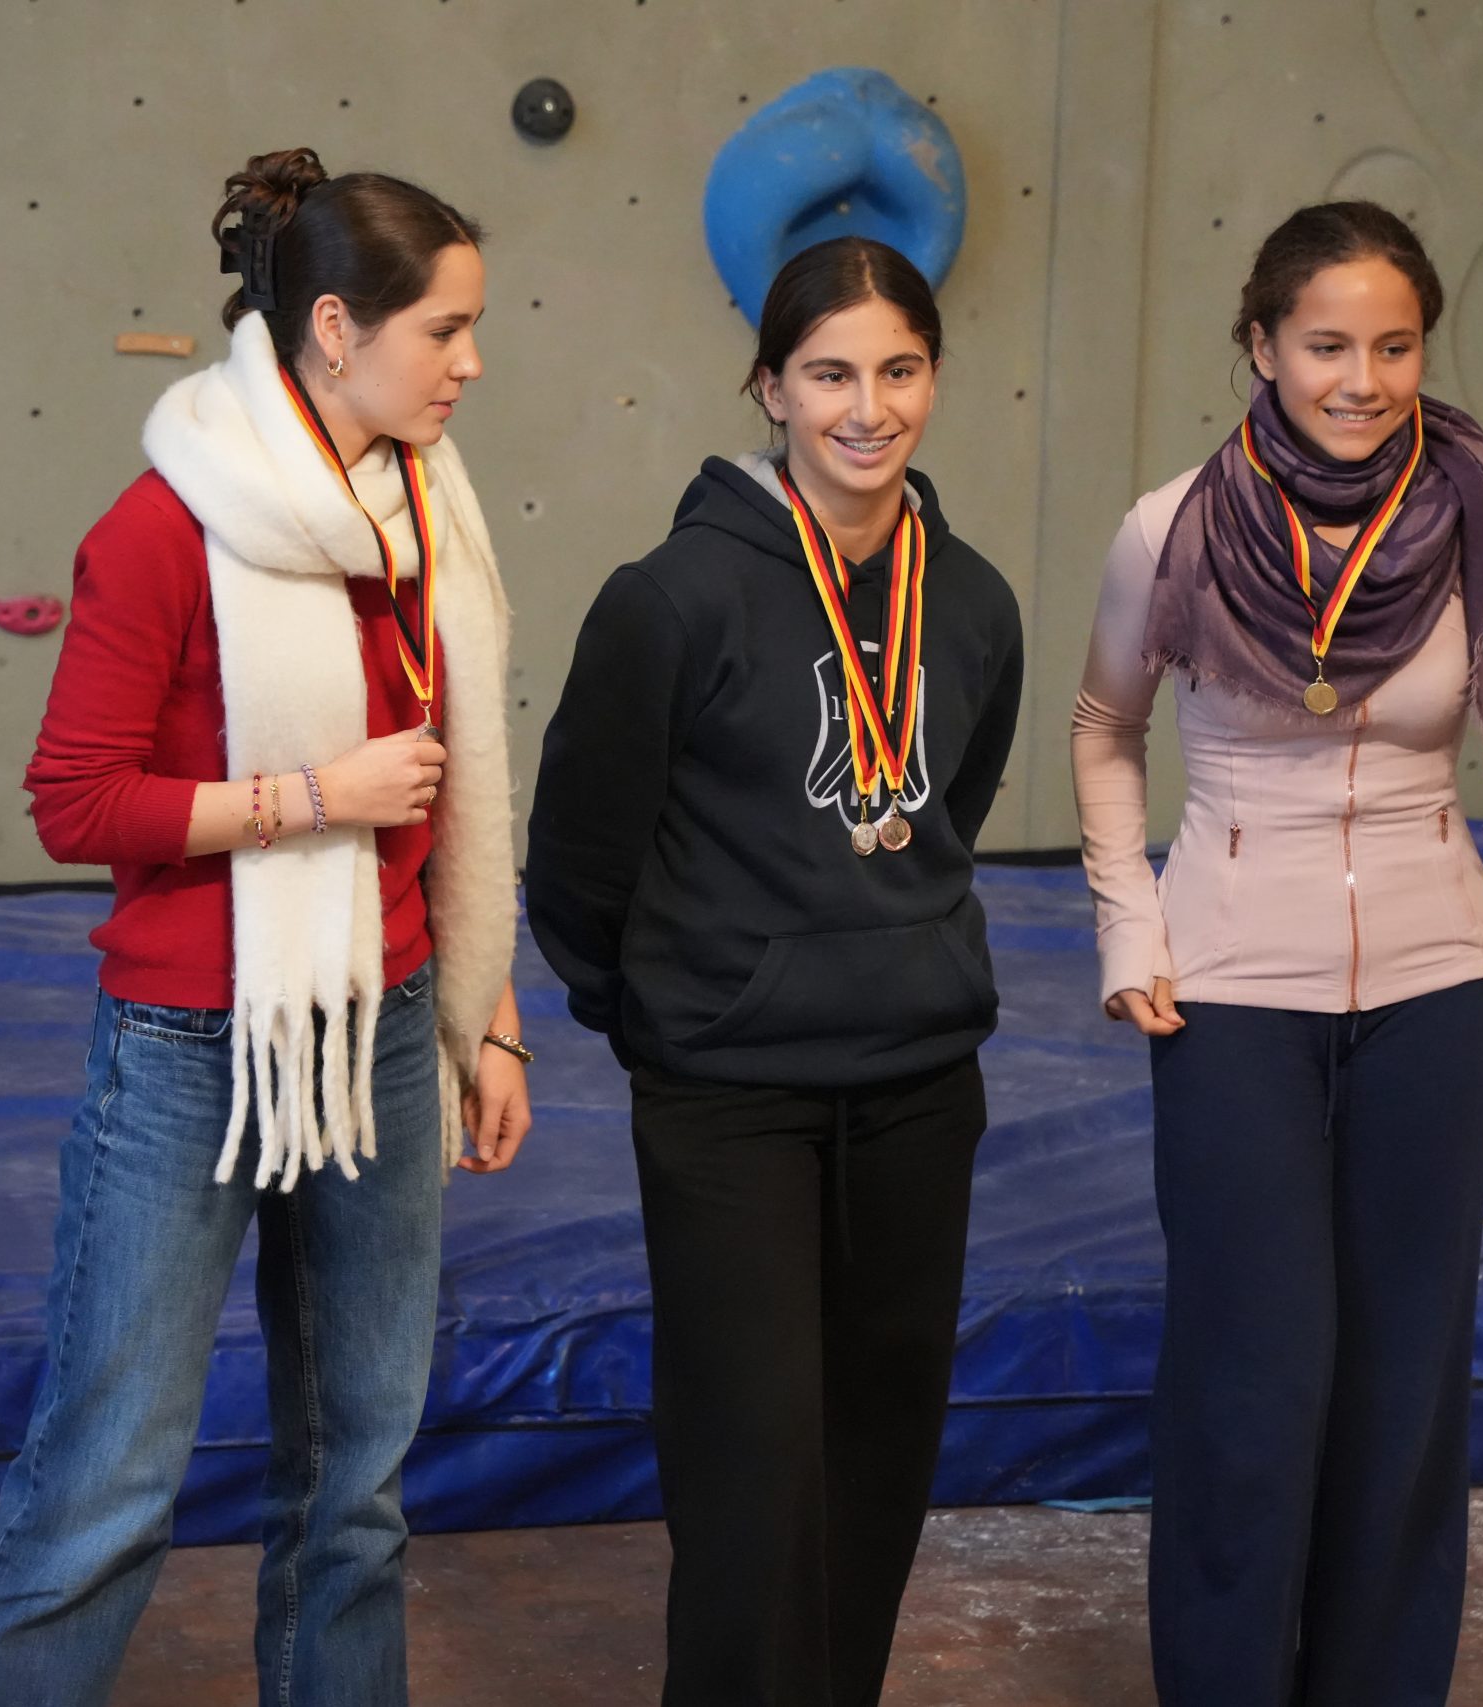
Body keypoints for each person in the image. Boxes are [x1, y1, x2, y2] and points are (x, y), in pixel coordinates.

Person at [0, 146, 530, 1707]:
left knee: (358, 1487)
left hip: (388, 1022)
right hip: (196, 1042)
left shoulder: (425, 504)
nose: (469, 363)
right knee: (108, 1485)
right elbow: (76, 804)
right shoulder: (163, 526)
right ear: (335, 329)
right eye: (444, 330)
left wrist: (489, 1012)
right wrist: (314, 796)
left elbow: (461, 794)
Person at [1069, 199, 1483, 1706]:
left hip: (1438, 976)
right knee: (1257, 1371)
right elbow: (1104, 729)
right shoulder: (1170, 526)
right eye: (1325, 346)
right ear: (1261, 346)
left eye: (1394, 346)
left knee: (1406, 1376)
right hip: (1229, 985)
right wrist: (1129, 922)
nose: (1361, 380)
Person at [524, 235, 1024, 1707]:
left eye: (898, 371)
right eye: (829, 374)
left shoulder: (974, 600)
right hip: (731, 1098)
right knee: (752, 1474)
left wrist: (896, 952)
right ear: (770, 388)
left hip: (921, 1085)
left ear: (933, 378)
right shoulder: (671, 599)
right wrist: (672, 1015)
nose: (867, 409)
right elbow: (582, 853)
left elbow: (950, 810)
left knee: (878, 1463)